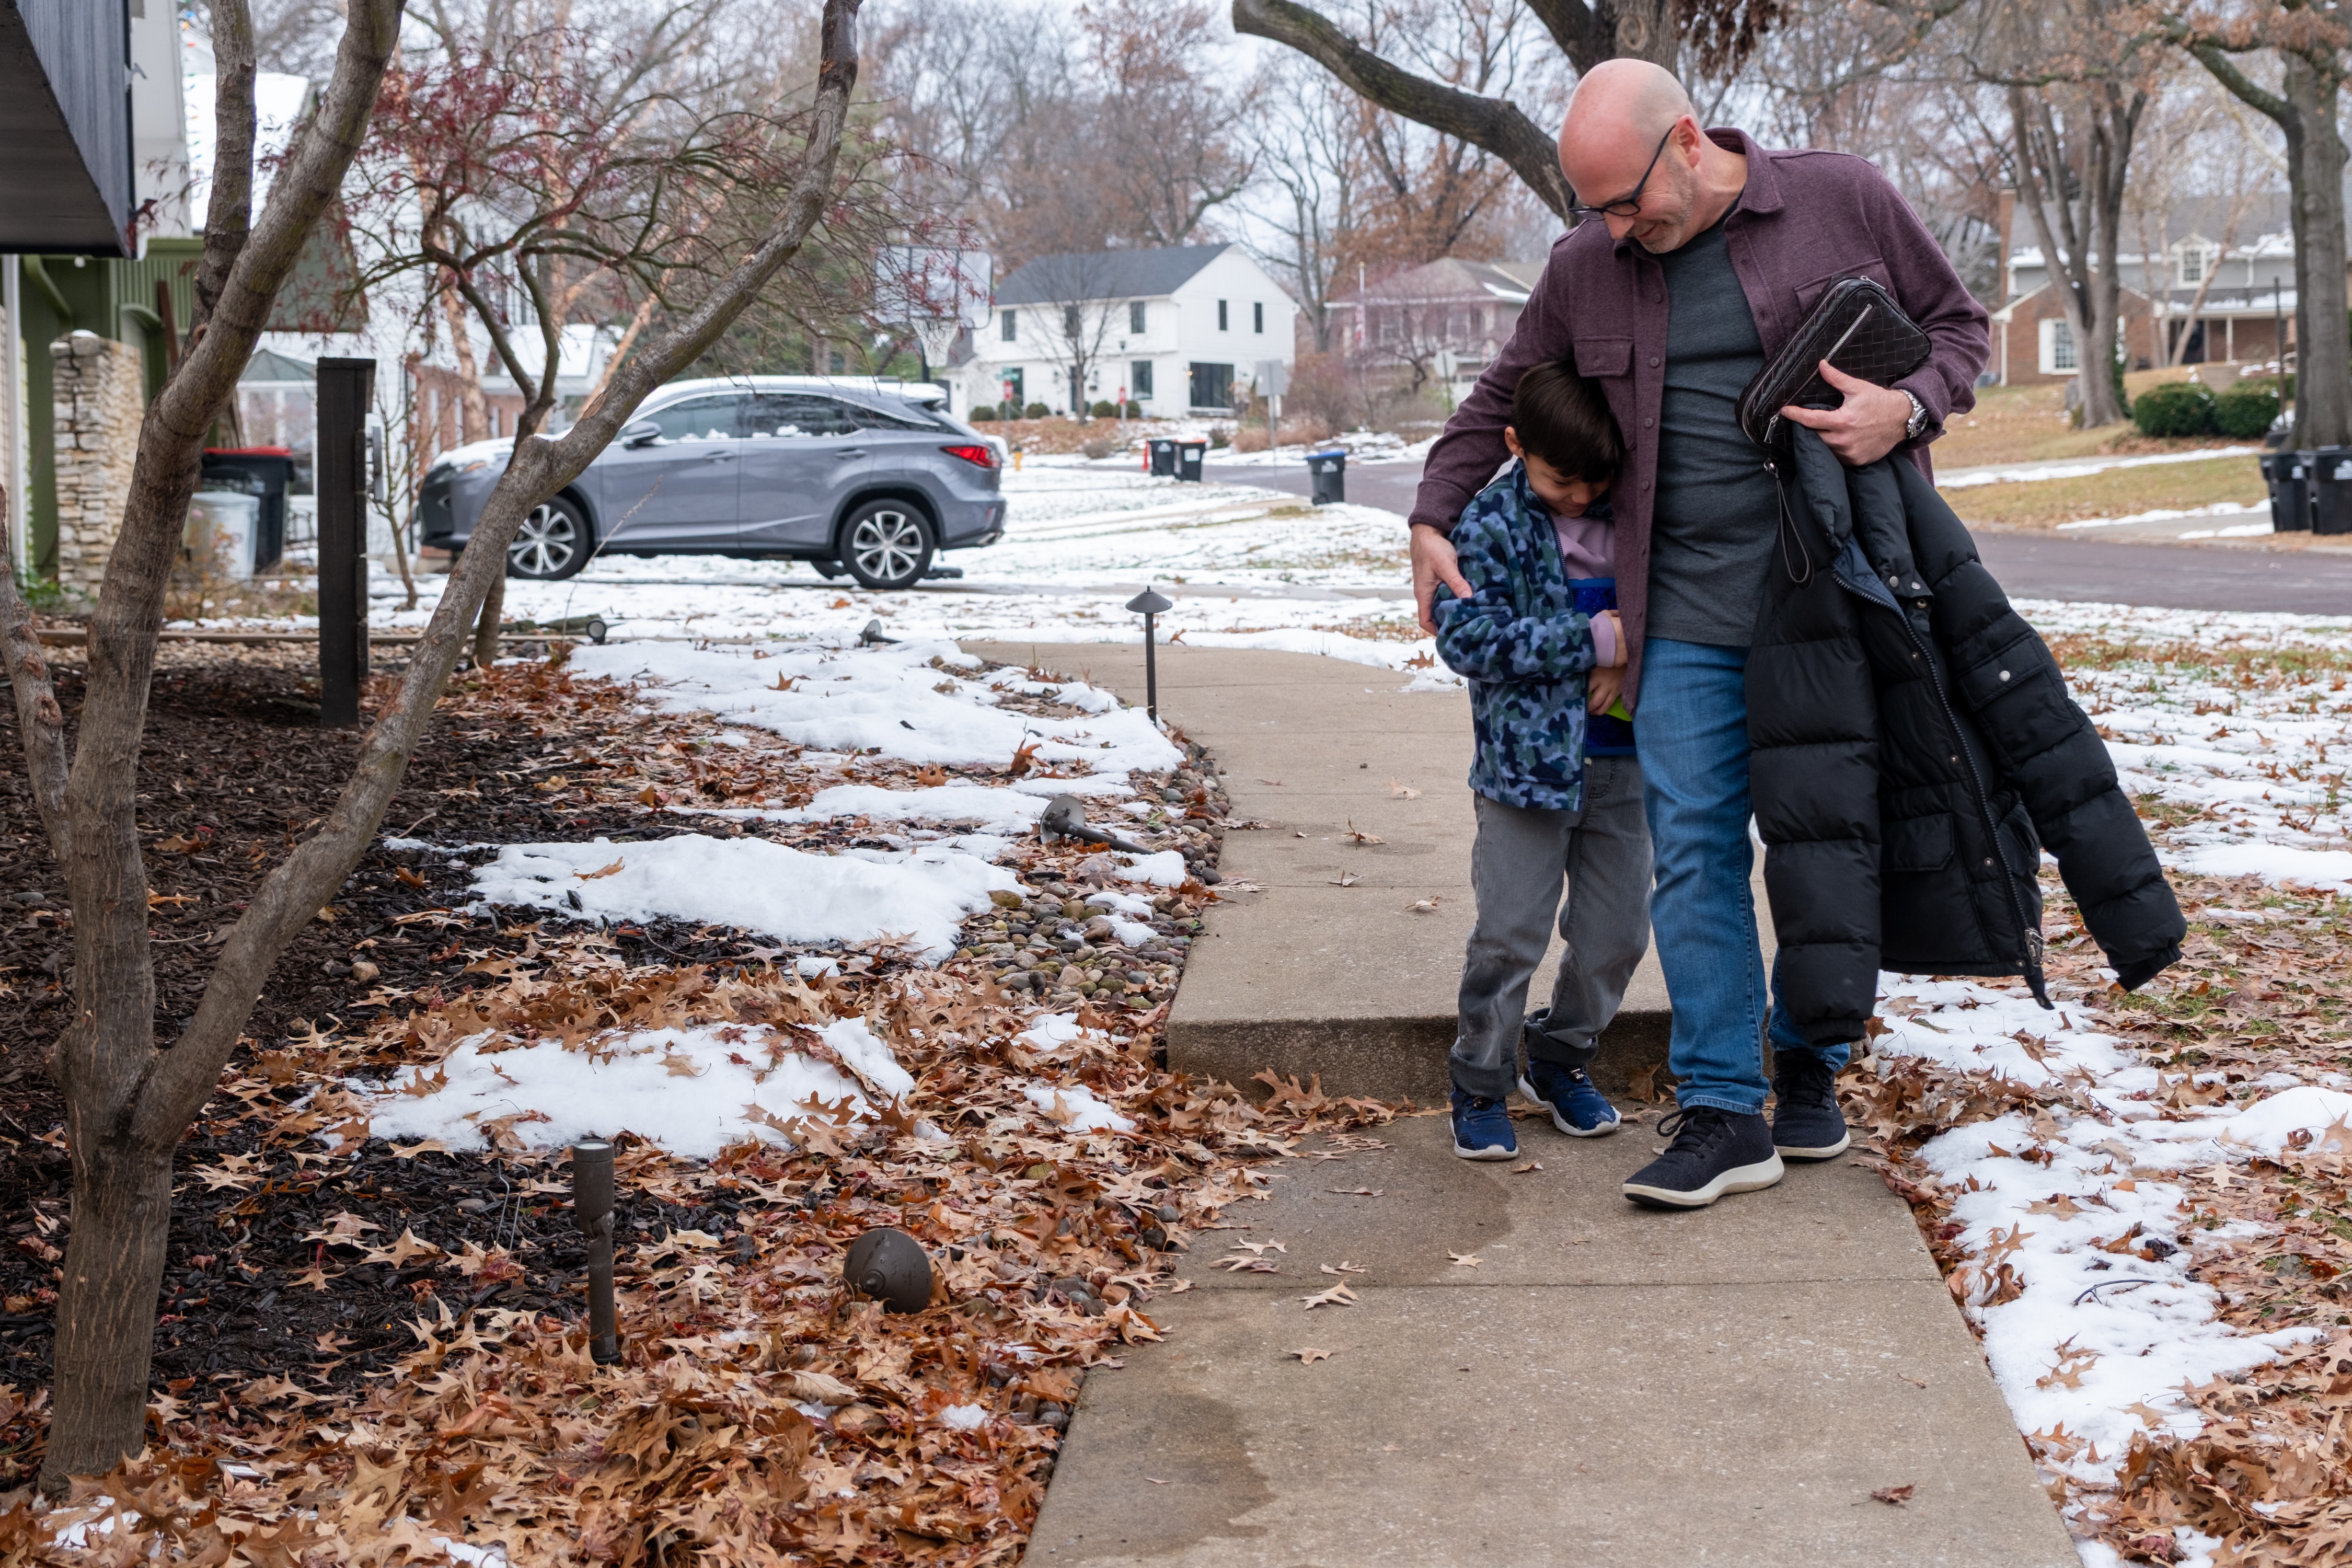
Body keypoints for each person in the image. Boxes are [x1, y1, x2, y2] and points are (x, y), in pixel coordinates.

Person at [1408, 60, 1992, 1206]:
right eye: (1597, 210)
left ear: (1687, 141)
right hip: (1676, 616)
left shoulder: (1844, 199)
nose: (1618, 227)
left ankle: (1812, 1069)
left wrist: (1906, 407)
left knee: (1833, 851)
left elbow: (1958, 330)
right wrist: (1433, 517)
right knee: (1696, 856)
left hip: (1834, 602)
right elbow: (1497, 400)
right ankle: (1726, 1109)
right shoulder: (1591, 266)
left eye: (1630, 200)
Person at [1432, 360, 1650, 1162]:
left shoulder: (1637, 513)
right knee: (1510, 934)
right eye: (1564, 480)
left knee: (1617, 934)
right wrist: (1596, 640)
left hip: (1626, 765)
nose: (1583, 496)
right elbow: (1468, 637)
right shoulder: (1490, 523)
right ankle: (1480, 1081)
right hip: (1523, 774)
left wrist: (1634, 653)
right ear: (1517, 446)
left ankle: (1561, 1056)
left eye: (1599, 479)